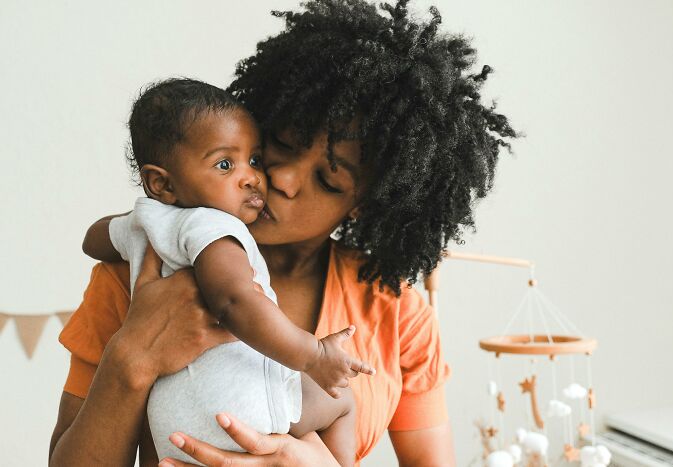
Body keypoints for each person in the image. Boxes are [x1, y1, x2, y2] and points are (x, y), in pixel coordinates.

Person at [48, 0, 515, 466]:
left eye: (328, 180)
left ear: (364, 204)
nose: (283, 180)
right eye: (282, 146)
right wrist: (133, 357)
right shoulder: (134, 278)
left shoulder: (396, 315)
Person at [81, 78, 374, 466]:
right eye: (225, 164)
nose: (257, 177)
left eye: (254, 159)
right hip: (241, 417)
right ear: (161, 182)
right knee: (342, 400)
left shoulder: (148, 221)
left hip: (175, 432)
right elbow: (235, 300)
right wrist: (314, 353)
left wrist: (142, 219)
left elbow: (93, 239)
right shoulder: (216, 228)